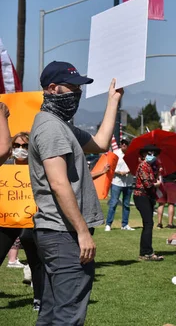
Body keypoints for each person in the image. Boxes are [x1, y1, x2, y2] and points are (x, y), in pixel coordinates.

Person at [29, 61, 123, 325]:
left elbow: (101, 143)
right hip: (63, 234)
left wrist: (112, 100)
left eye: (79, 88)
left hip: (57, 233)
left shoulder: (61, 125)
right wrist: (82, 231)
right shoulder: (51, 128)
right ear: (52, 88)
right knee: (68, 315)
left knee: (51, 313)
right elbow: (59, 184)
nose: (77, 94)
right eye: (72, 87)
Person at [1, 132, 45, 311]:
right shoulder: (4, 168)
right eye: (17, 146)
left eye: (25, 146)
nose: (21, 150)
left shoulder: (38, 168)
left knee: (36, 261)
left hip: (30, 221)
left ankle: (39, 298)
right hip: (7, 220)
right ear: (11, 149)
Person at [133, 144, 164, 261]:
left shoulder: (150, 166)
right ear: (144, 155)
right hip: (141, 196)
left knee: (148, 223)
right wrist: (156, 184)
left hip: (147, 196)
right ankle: (146, 252)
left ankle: (145, 251)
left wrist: (158, 173)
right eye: (149, 153)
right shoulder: (143, 166)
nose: (152, 155)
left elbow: (151, 180)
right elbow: (148, 184)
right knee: (148, 223)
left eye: (153, 153)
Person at [105, 138, 135, 231]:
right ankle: (108, 224)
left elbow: (135, 166)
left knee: (126, 205)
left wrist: (129, 171)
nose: (124, 145)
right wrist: (118, 172)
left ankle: (125, 224)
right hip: (116, 182)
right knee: (113, 203)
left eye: (126, 143)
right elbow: (110, 167)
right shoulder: (115, 153)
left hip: (128, 182)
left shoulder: (132, 154)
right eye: (122, 143)